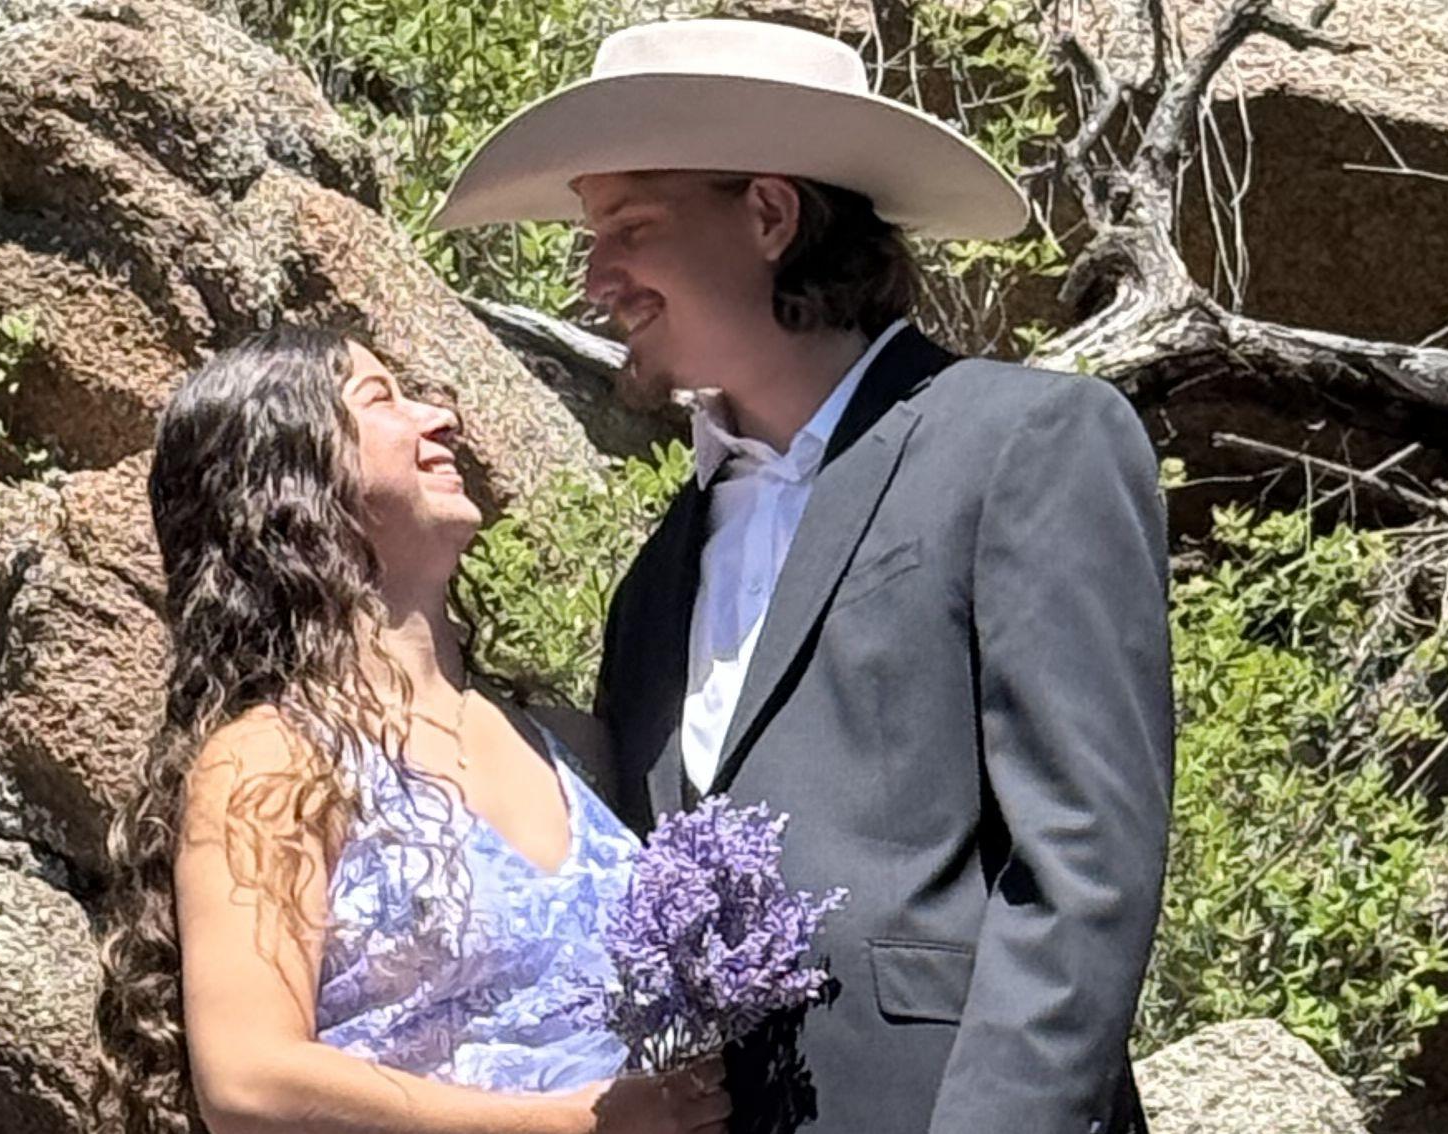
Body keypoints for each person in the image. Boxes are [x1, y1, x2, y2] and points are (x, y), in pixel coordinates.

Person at [431, 18, 1176, 1134]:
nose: (594, 279)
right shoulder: (653, 582)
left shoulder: (1025, 441)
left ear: (771, 214)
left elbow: (1085, 866)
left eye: (629, 226)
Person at [94, 327, 728, 1134]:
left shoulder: (567, 741)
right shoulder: (275, 758)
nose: (442, 419)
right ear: (288, 478)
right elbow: (250, 1082)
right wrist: (566, 1126)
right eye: (381, 399)